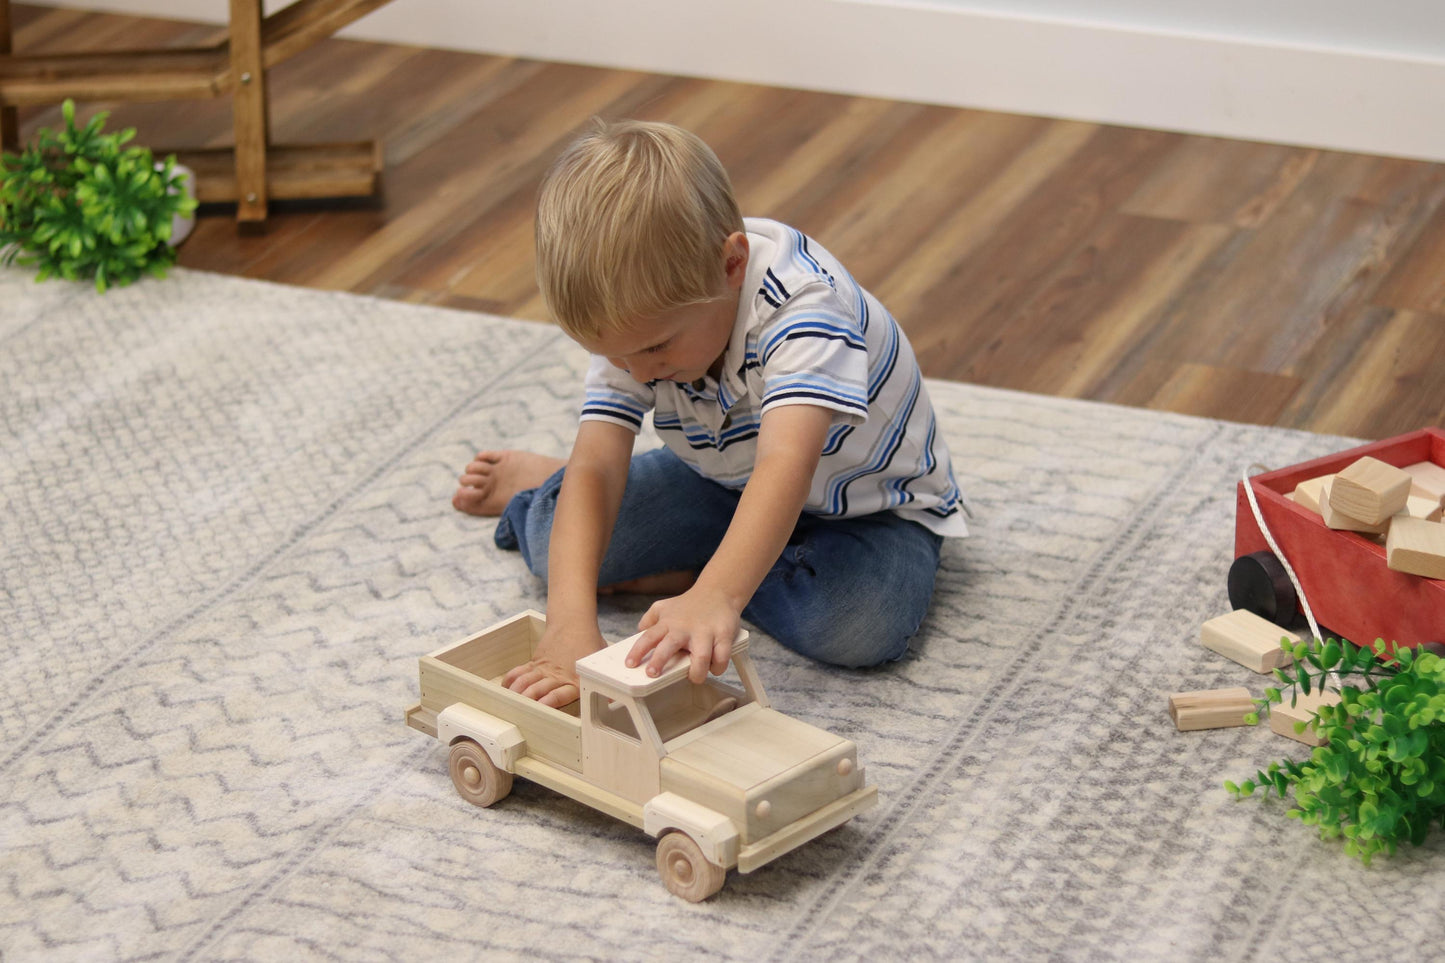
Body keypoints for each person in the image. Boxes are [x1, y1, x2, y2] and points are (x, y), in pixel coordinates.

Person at [454, 119, 970, 708]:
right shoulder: (636, 331)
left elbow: (786, 463)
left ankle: (704, 576)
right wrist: (567, 625)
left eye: (653, 350)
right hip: (723, 479)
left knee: (859, 625)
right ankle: (568, 490)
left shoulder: (805, 309)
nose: (638, 372)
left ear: (730, 265)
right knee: (555, 548)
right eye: (612, 356)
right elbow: (597, 465)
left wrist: (717, 596)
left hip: (869, 510)